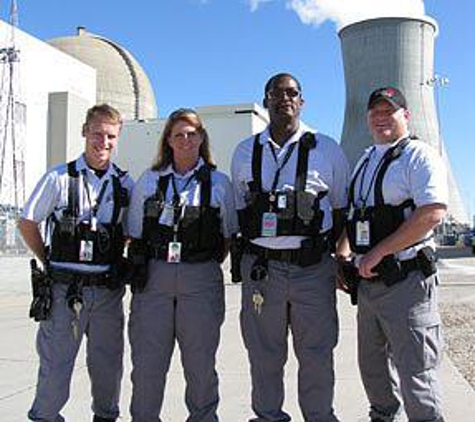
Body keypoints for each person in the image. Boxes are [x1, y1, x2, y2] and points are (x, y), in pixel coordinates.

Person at [231, 73, 349, 422]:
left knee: (315, 353)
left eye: (292, 93)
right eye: (276, 93)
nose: (285, 98)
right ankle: (268, 416)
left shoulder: (326, 149)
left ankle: (319, 416)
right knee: (263, 352)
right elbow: (239, 210)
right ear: (265, 99)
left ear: (302, 101)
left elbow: (342, 208)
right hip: (262, 271)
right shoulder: (244, 151)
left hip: (312, 270)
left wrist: (334, 255)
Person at [337, 87, 448, 422]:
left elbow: (432, 213)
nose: (382, 117)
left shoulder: (419, 155)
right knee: (373, 370)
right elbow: (355, 216)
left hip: (407, 282)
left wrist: (378, 253)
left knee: (416, 371)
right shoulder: (365, 160)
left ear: (406, 116)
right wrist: (342, 256)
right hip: (369, 286)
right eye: (376, 111)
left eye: (390, 110)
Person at [18, 104, 134, 422]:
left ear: (118, 137)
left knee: (108, 366)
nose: (103, 142)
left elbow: (132, 233)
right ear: (84, 131)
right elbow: (27, 221)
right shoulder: (58, 177)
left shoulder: (125, 184)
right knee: (56, 366)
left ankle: (105, 417)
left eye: (111, 136)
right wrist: (47, 259)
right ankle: (45, 416)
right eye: (97, 133)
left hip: (108, 293)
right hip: (64, 291)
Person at [127, 108, 237, 422]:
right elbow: (134, 231)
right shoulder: (150, 180)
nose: (186, 140)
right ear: (168, 141)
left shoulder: (219, 183)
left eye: (192, 134)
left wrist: (200, 262)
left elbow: (229, 233)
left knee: (200, 365)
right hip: (154, 280)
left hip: (201, 278)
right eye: (179, 134)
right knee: (148, 364)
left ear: (202, 138)